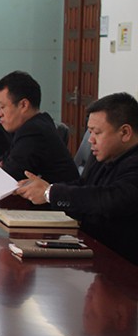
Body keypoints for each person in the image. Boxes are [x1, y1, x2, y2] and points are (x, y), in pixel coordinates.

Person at [16, 92, 138, 264]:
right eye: (90, 132)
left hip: (122, 263)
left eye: (97, 133)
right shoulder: (108, 156)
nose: (90, 140)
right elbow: (83, 187)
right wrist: (36, 191)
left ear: (125, 132)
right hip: (92, 250)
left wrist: (50, 193)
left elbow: (111, 199)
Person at [0, 70, 78, 184]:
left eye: (2, 107)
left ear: (23, 105)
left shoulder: (33, 131)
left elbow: (9, 178)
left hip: (57, 194)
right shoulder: (39, 122)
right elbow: (7, 163)